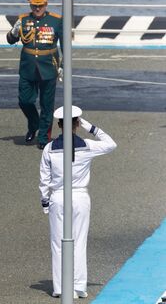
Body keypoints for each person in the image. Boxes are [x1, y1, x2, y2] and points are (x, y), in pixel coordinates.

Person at [39, 105, 116, 299]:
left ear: (58, 125)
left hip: (58, 196)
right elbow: (110, 143)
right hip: (80, 196)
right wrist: (89, 127)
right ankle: (78, 286)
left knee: (58, 244)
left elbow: (44, 179)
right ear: (76, 124)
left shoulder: (49, 148)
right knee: (79, 241)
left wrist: (45, 202)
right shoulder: (88, 146)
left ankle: (60, 287)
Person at [6, 0, 63, 149]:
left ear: (46, 4)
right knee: (24, 101)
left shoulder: (56, 20)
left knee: (46, 105)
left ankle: (44, 137)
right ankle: (34, 124)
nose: (37, 9)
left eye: (40, 5)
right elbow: (11, 40)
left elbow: (65, 45)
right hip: (27, 67)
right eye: (34, 6)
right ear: (30, 5)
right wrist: (14, 31)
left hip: (48, 66)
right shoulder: (23, 19)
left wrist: (63, 66)